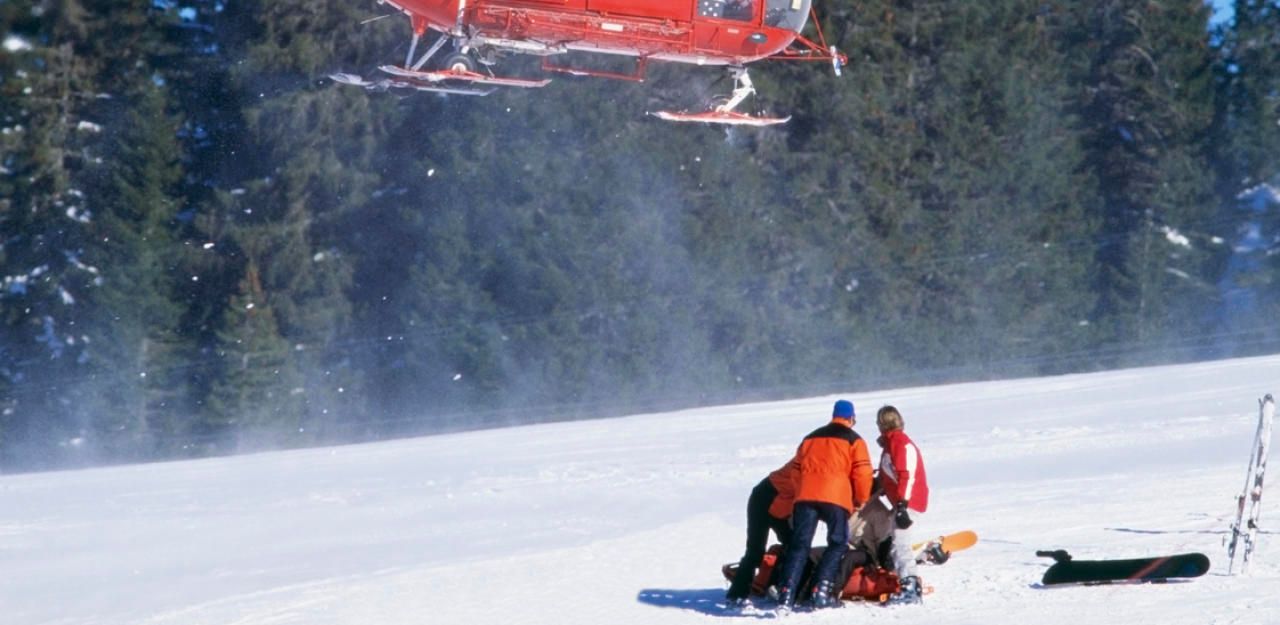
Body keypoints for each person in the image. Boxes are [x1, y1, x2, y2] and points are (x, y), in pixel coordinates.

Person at [772, 399, 874, 612]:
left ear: (834, 415)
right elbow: (863, 474)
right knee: (837, 543)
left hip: (805, 497)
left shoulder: (810, 438)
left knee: (800, 545)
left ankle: (786, 594)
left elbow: (795, 472)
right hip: (835, 497)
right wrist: (860, 499)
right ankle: (822, 590)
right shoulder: (855, 440)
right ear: (851, 418)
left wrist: (802, 491)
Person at [873, 404, 929, 605]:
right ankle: (901, 577)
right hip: (900, 502)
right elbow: (887, 476)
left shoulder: (901, 444)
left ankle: (911, 588)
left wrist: (903, 506)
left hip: (909, 501)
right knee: (892, 540)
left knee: (900, 543)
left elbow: (907, 476)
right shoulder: (889, 445)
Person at [725, 458, 798, 605]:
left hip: (781, 508)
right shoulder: (807, 461)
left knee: (795, 547)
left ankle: (774, 582)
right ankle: (737, 594)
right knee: (755, 550)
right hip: (763, 499)